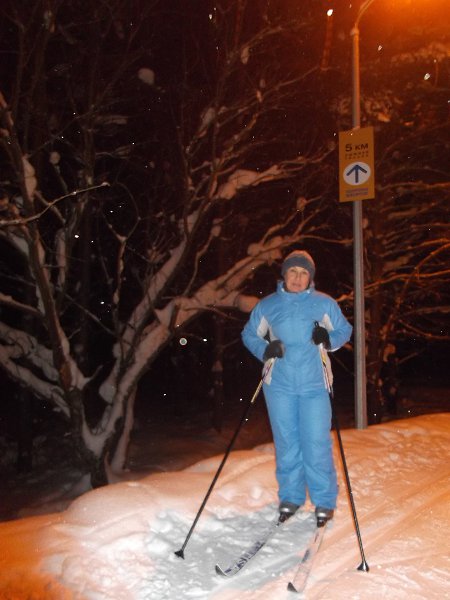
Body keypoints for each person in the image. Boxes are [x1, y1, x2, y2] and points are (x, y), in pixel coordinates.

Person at [241, 250, 352, 523]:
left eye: (304, 273)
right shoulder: (268, 306)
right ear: (284, 274)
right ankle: (291, 497)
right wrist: (266, 349)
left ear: (310, 278)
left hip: (315, 384)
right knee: (287, 442)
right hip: (279, 385)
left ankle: (324, 500)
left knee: (316, 442)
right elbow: (249, 334)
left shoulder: (324, 303)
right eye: (293, 271)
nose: (298, 278)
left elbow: (344, 330)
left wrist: (328, 338)